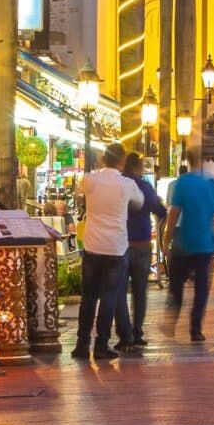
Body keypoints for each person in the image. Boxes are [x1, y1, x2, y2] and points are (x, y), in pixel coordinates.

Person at [74, 143, 135, 361]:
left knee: (88, 297)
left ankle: (82, 345)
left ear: (102, 159)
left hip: (92, 246)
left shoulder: (90, 179)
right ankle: (101, 345)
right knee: (109, 297)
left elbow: (79, 190)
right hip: (116, 247)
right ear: (122, 161)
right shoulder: (127, 184)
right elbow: (139, 201)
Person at [165, 157, 214, 342]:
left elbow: (174, 213)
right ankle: (195, 329)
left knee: (176, 283)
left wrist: (167, 239)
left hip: (184, 239)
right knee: (201, 287)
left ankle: (172, 321)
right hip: (205, 241)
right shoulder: (211, 183)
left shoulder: (182, 182)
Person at [122, 152, 165, 351]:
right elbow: (159, 210)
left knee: (119, 291)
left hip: (120, 244)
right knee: (139, 291)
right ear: (138, 168)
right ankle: (137, 331)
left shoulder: (119, 184)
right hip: (141, 242)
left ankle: (124, 334)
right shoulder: (144, 186)